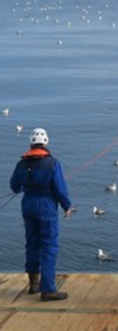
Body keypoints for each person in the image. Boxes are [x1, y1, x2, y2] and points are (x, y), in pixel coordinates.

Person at [9, 127, 73, 301]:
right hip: (46, 206)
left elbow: (14, 186)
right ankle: (48, 290)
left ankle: (33, 285)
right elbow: (60, 189)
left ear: (31, 142)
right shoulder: (53, 163)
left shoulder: (21, 163)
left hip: (28, 205)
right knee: (49, 247)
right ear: (46, 143)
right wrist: (67, 206)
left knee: (32, 244)